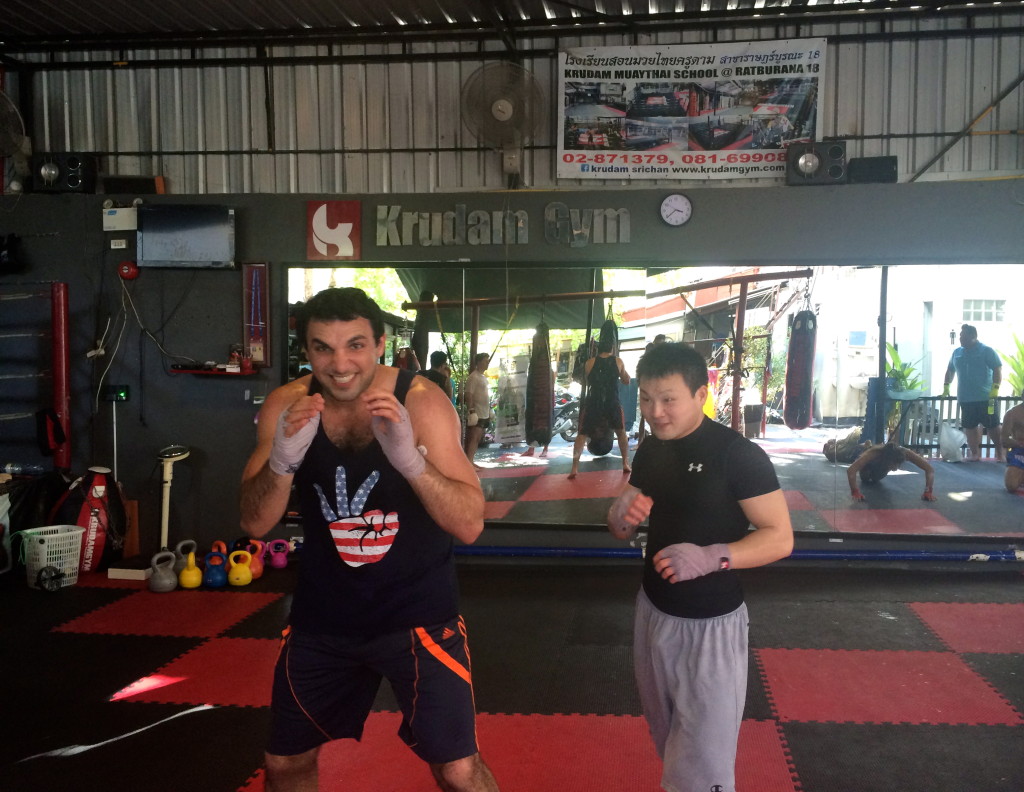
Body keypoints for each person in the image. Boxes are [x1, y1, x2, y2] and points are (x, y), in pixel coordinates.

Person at [239, 288, 499, 792]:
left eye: (355, 345)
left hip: (418, 617)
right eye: (323, 349)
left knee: (459, 770)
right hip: (324, 617)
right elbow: (254, 524)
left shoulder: (422, 402)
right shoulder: (286, 406)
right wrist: (282, 462)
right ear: (306, 351)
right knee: (285, 763)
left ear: (381, 343)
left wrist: (411, 462)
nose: (340, 364)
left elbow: (469, 523)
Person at [606, 342, 793, 792]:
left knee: (702, 767)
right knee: (669, 743)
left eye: (668, 399)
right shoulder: (651, 450)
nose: (655, 411)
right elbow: (621, 526)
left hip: (710, 627)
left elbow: (780, 538)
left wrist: (713, 556)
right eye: (647, 399)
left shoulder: (737, 456)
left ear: (700, 393)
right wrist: (619, 518)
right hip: (652, 613)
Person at [568, 330, 632, 479]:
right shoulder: (618, 361)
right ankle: (625, 463)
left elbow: (583, 380)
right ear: (612, 348)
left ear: (598, 348)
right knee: (621, 432)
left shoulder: (589, 363)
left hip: (594, 401)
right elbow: (626, 380)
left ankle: (574, 468)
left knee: (582, 434)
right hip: (611, 400)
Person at [944, 324, 1004, 461]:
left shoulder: (986, 350)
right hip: (965, 397)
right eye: (960, 336)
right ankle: (974, 454)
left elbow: (997, 368)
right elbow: (950, 370)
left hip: (986, 397)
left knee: (993, 426)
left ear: (973, 336)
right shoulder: (956, 352)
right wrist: (946, 386)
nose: (960, 338)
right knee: (970, 426)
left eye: (963, 335)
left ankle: (1001, 453)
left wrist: (995, 388)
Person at [846, 441, 937, 501]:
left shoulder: (906, 453)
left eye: (898, 464)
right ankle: (865, 445)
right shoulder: (875, 454)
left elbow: (930, 470)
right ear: (886, 459)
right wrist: (855, 491)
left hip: (880, 468)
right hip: (868, 465)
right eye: (893, 464)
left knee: (876, 477)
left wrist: (928, 491)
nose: (896, 468)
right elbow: (851, 470)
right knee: (866, 477)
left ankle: (867, 444)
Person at [462, 352, 492, 467]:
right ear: (479, 362)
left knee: (478, 438)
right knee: (473, 437)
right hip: (477, 412)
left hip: (484, 412)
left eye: (488, 361)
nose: (487, 363)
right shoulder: (473, 377)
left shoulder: (483, 377)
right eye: (485, 361)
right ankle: (468, 462)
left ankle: (471, 461)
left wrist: (489, 410)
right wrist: (471, 410)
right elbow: (468, 394)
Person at [1001, 398, 1024, 492]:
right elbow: (1004, 440)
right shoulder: (1012, 413)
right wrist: (1020, 444)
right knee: (1011, 485)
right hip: (1019, 450)